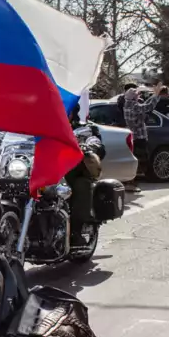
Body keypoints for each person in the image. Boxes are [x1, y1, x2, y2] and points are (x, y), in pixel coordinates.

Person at [67, 105, 104, 248]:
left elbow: (95, 142)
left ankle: (76, 231)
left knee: (81, 185)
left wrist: (91, 148)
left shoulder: (83, 128)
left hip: (75, 171)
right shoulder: (47, 125)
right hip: (50, 170)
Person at [122, 85, 149, 193]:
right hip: (139, 136)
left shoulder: (126, 105)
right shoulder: (134, 106)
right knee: (139, 159)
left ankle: (130, 181)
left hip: (132, 135)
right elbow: (149, 107)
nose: (139, 97)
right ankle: (131, 182)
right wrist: (156, 96)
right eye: (137, 95)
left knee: (134, 159)